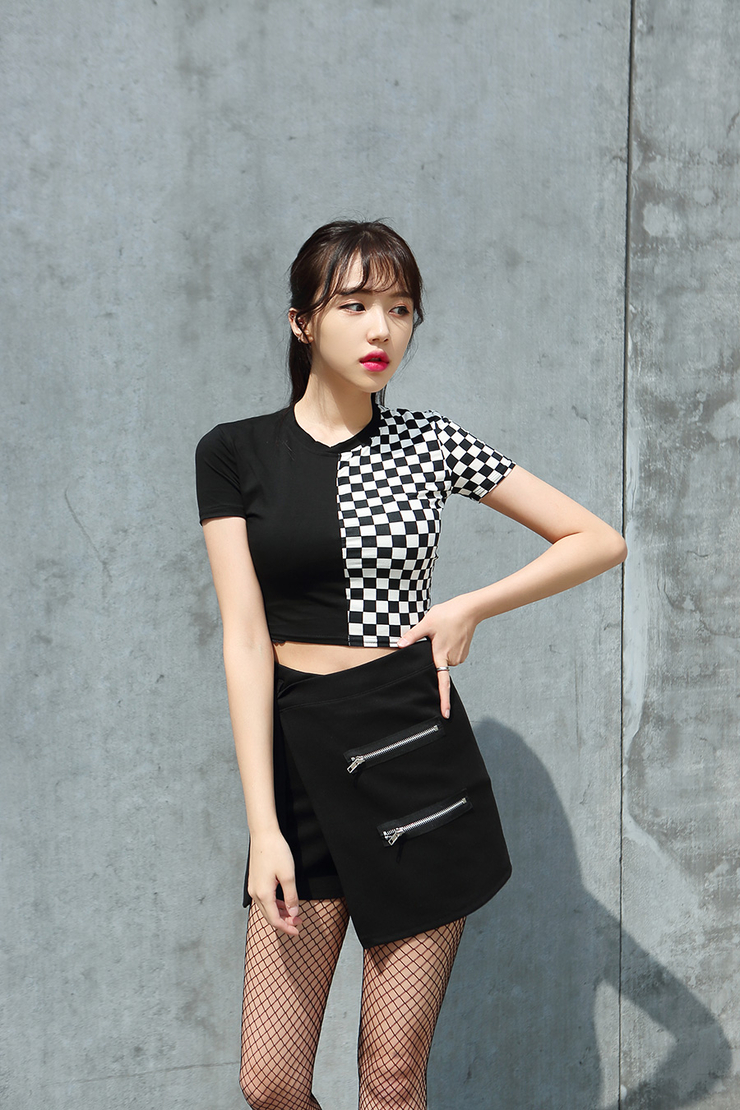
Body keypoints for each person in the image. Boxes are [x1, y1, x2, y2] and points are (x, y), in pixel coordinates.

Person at [195, 219, 627, 1110]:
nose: (381, 329)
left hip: (412, 754)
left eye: (399, 309)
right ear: (302, 321)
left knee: (391, 1079)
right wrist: (264, 827)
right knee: (270, 1081)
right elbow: (244, 637)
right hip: (299, 762)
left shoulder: (429, 442)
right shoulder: (234, 452)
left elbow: (597, 539)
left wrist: (470, 605)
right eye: (354, 305)